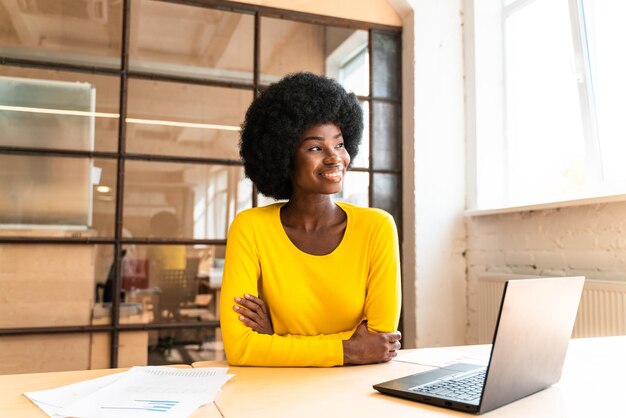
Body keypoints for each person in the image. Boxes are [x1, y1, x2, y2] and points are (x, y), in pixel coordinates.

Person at [220, 72, 401, 367]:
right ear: (284, 155)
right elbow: (240, 348)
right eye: (316, 148)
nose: (334, 158)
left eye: (339, 144)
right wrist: (349, 349)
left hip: (356, 391)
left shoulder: (376, 227)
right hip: (276, 391)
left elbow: (380, 343)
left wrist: (277, 338)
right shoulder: (251, 227)